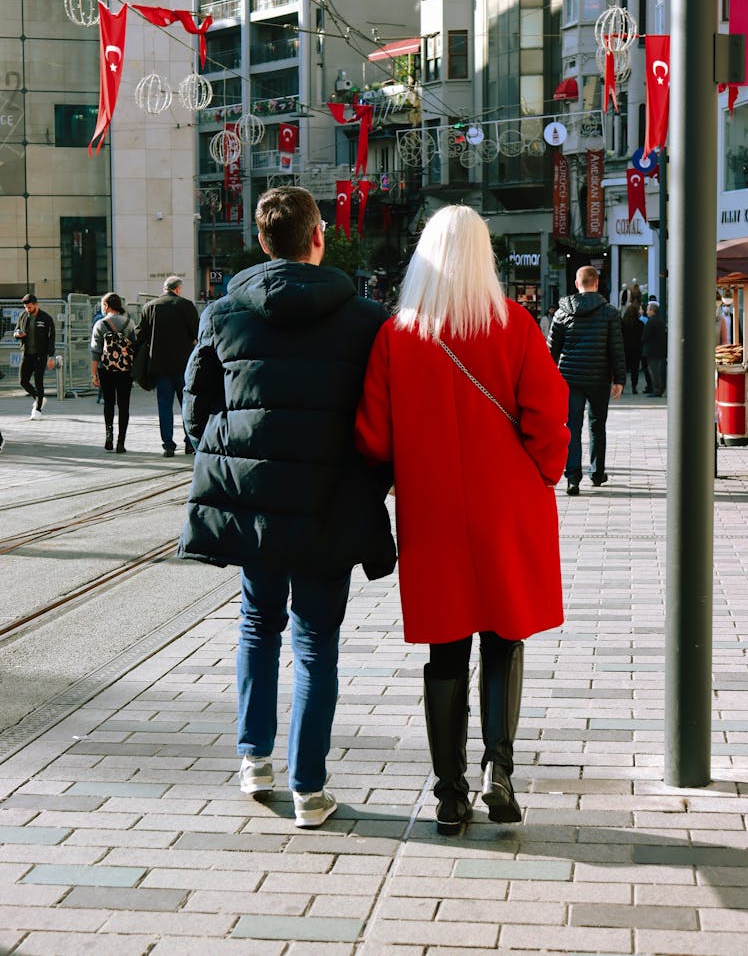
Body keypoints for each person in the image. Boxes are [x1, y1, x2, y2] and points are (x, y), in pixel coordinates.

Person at [178, 186, 396, 829]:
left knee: (257, 623)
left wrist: (238, 457)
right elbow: (383, 419)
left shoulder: (222, 314)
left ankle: (254, 760)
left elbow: (195, 413)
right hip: (330, 505)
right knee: (316, 643)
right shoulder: (366, 318)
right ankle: (309, 787)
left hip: (255, 505)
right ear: (318, 237)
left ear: (262, 240)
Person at [355, 205, 569, 835]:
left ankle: (449, 793)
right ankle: (499, 767)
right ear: (486, 257)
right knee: (504, 636)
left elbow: (372, 436)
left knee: (445, 648)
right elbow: (548, 414)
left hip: (435, 510)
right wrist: (543, 473)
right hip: (507, 504)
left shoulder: (399, 334)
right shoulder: (516, 325)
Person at [547, 265, 625, 495]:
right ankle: (597, 473)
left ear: (576, 283)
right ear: (597, 283)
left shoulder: (562, 312)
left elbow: (552, 349)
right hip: (599, 378)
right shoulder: (609, 312)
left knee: (572, 427)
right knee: (597, 425)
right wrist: (619, 379)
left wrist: (549, 378)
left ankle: (572, 478)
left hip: (569, 379)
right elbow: (616, 348)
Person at [136, 275, 199, 456]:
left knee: (164, 405)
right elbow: (197, 332)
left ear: (165, 288)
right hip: (184, 366)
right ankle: (189, 442)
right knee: (187, 404)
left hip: (160, 365)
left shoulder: (150, 307)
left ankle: (168, 445)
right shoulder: (186, 305)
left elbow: (140, 334)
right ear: (178, 289)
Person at [91, 292, 137, 453]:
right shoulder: (129, 323)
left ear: (106, 306)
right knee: (124, 405)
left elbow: (95, 351)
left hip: (106, 369)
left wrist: (94, 373)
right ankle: (121, 442)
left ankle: (109, 435)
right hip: (125, 370)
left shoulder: (100, 324)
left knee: (109, 403)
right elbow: (135, 347)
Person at [14, 294, 56, 420]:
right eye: (26, 307)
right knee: (23, 381)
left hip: (40, 355)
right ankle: (39, 398)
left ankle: (37, 410)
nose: (28, 309)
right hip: (26, 354)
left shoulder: (46, 318)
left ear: (36, 304)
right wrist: (17, 334)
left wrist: (51, 357)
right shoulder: (23, 316)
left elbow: (51, 339)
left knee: (39, 382)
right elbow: (16, 331)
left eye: (30, 307)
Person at [642, 301, 667, 397]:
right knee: (656, 369)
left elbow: (645, 336)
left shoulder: (651, 321)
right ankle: (659, 388)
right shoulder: (660, 321)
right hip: (659, 349)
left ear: (652, 311)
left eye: (648, 309)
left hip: (652, 350)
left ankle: (657, 389)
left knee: (653, 370)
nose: (646, 311)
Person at [621, 302, 644, 394]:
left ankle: (621, 387)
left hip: (624, 349)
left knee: (623, 370)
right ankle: (634, 387)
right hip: (636, 349)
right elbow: (642, 337)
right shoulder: (640, 324)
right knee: (635, 369)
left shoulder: (622, 323)